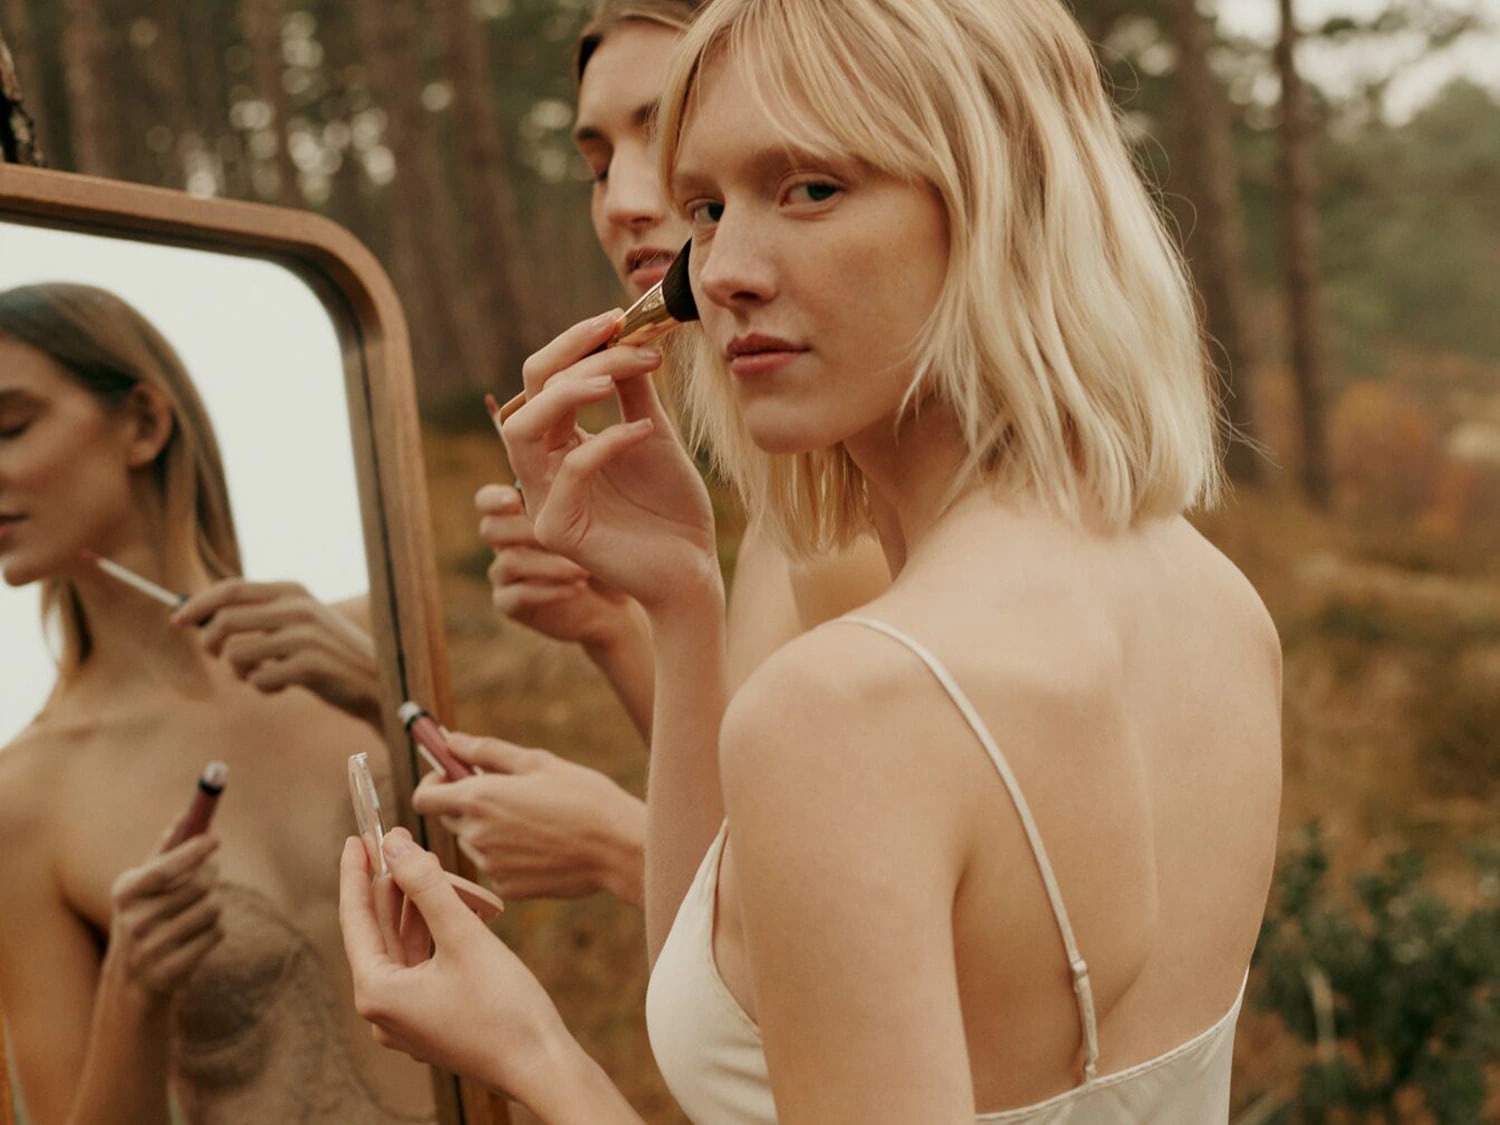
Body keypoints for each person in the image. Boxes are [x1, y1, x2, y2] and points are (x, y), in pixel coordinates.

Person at [341, 0, 1283, 1120]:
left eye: (812, 189)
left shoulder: (851, 704)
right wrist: (682, 598)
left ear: (999, 203)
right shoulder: (1218, 606)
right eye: (708, 205)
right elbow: (745, 991)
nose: (722, 269)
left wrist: (536, 1056)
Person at [415, 0, 890, 907]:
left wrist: (613, 846)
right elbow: (752, 787)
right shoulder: (808, 493)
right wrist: (629, 621)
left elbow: (823, 938)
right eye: (596, 164)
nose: (627, 201)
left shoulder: (866, 535)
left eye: (669, 132)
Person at [0, 283, 437, 1124]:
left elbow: (519, 883)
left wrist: (388, 700)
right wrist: (133, 990)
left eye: (10, 427)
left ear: (143, 425)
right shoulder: (25, 798)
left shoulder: (364, 647)